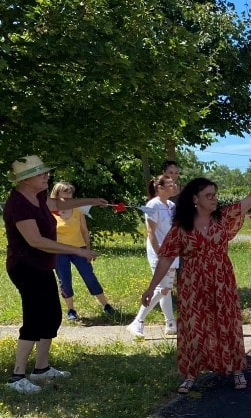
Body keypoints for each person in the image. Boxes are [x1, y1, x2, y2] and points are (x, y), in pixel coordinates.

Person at [141, 177, 251, 394]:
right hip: (193, 283)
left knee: (227, 321)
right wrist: (150, 287)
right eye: (208, 196)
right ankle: (190, 375)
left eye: (215, 195)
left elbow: (250, 199)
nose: (214, 199)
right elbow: (165, 258)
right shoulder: (182, 226)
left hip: (222, 280)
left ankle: (237, 369)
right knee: (193, 326)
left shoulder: (223, 218)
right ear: (195, 199)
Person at [4, 156, 108, 394]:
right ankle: (17, 376)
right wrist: (78, 251)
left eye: (46, 173)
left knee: (51, 315)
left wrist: (92, 201)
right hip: (25, 267)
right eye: (41, 174)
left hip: (41, 266)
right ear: (26, 179)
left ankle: (41, 369)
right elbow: (36, 241)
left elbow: (59, 206)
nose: (47, 176)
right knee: (34, 318)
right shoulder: (18, 204)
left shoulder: (38, 196)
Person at [49, 182, 118, 321]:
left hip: (79, 249)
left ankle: (106, 305)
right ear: (57, 194)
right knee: (65, 281)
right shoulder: (50, 211)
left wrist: (88, 249)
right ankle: (71, 310)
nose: (69, 195)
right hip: (59, 251)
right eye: (65, 192)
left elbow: (84, 231)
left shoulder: (78, 209)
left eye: (70, 193)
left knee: (89, 277)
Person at [126, 173, 180, 337]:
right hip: (160, 253)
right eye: (170, 184)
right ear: (160, 188)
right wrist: (160, 253)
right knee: (163, 288)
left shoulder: (170, 204)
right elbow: (151, 232)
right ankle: (137, 322)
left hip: (172, 252)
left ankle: (171, 323)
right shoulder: (153, 205)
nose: (174, 186)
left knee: (167, 288)